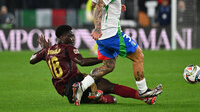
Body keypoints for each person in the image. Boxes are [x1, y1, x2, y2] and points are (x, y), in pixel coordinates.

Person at [73, 0, 162, 106]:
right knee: (138, 56)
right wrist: (97, 28)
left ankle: (81, 86)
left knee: (108, 66)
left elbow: (94, 4)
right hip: (111, 34)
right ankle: (143, 91)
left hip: (103, 38)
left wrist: (115, 6)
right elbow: (99, 5)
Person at [30, 25, 158, 105]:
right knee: (111, 89)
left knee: (110, 95)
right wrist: (102, 59)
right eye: (70, 36)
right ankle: (144, 97)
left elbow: (32, 59)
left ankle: (97, 97)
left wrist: (44, 49)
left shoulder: (48, 51)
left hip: (67, 93)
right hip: (78, 83)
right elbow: (82, 62)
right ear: (62, 37)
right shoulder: (67, 48)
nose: (73, 39)